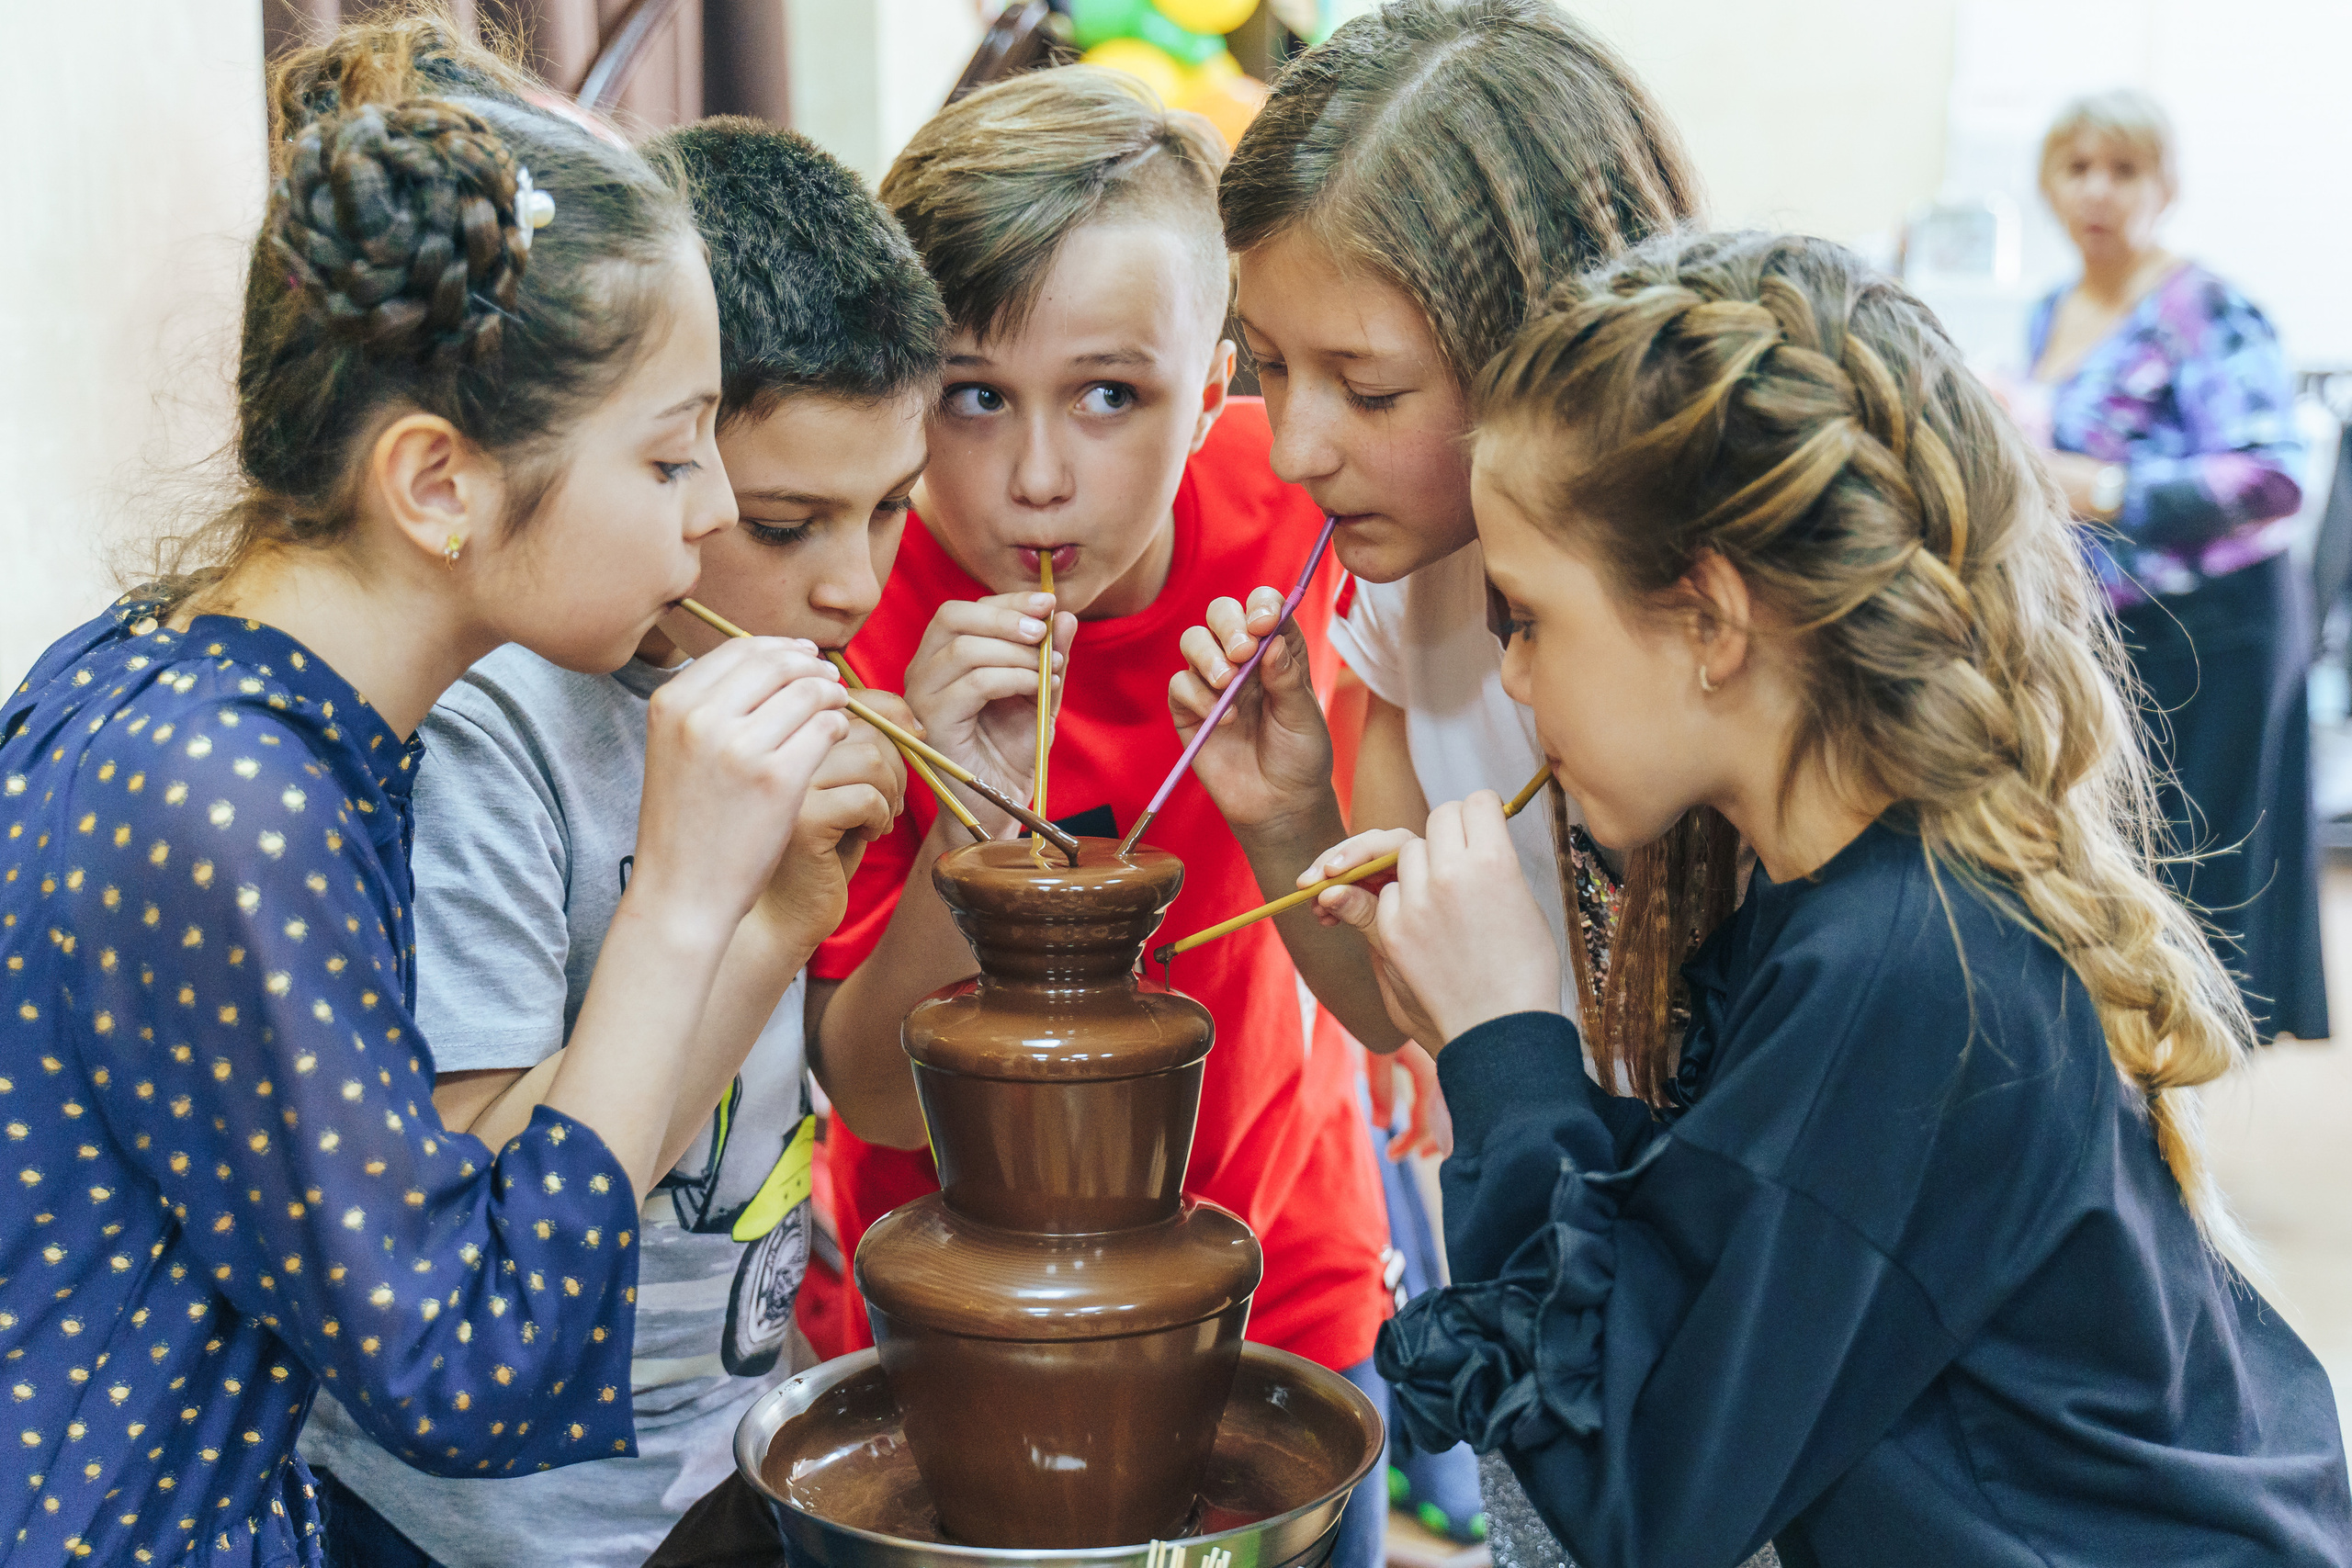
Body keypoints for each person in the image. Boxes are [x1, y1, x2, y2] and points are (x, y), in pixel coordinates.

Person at [1317, 229, 2352, 1566]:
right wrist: (1476, 1020)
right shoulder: (1854, 906)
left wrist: (1505, 1046)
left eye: (1527, 617)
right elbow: (1731, 1247)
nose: (1512, 678)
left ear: (1710, 620)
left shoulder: (1906, 963)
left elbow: (1642, 1500)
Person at [0, 20, 859, 1567]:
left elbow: (442, 1202)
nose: (718, 510)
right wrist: (679, 895)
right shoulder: (230, 797)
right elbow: (466, 1363)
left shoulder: (186, 686)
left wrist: (762, 909)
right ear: (439, 483)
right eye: (671, 460)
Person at [295, 118, 945, 1568]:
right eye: (782, 520)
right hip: (484, 1521)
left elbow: (870, 1088)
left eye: (892, 508)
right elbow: (481, 1200)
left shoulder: (762, 668)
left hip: (720, 1461)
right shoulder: (487, 725)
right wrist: (758, 917)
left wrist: (958, 830)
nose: (853, 584)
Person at [801, 64, 1391, 1568]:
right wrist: (960, 827)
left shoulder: (1306, 517)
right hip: (957, 1349)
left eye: (1111, 395)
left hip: (1281, 1283)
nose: (1037, 479)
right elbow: (871, 1094)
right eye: (973, 396)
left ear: (1217, 392)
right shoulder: (853, 606)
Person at [1166, 6, 1724, 1561]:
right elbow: (1401, 1007)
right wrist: (1289, 817)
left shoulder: (1707, 642)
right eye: (1268, 365)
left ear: (1549, 349)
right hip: (1549, 1256)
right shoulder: (1403, 586)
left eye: (1367, 386)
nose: (1293, 446)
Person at [2026, 88, 2324, 1042]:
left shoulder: (2203, 306)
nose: (2098, 191)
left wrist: (2107, 487)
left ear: (2165, 187)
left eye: (2123, 170)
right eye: (2078, 168)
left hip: (2218, 626)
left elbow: (2271, 475)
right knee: (2116, 868)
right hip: (2111, 628)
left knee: (2199, 886)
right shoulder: (2049, 311)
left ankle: (2177, 1094)